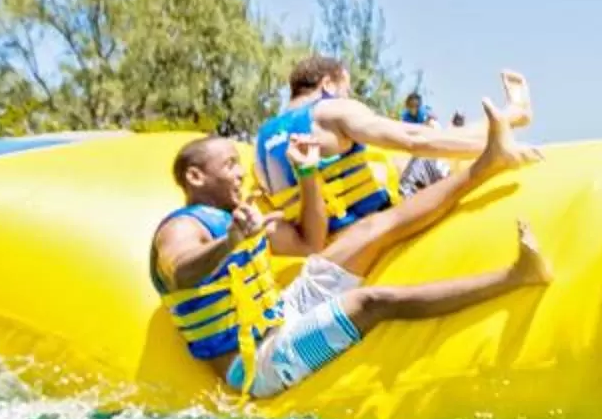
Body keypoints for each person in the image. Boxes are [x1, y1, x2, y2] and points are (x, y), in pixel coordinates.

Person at [151, 105, 547, 400]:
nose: (240, 173)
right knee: (370, 301)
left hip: (280, 314)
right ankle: (517, 276)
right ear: (196, 177)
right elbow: (180, 271)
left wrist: (307, 173)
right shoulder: (181, 227)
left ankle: (489, 163)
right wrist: (229, 244)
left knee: (371, 229)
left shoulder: (237, 218)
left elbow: (310, 245)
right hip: (255, 365)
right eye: (229, 165)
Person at [250, 56, 532, 234]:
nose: (348, 97)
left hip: (330, 244)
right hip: (375, 222)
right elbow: (414, 140)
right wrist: (488, 151)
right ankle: (512, 118)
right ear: (328, 85)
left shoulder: (261, 143)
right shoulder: (330, 111)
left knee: (399, 154)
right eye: (346, 89)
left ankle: (511, 116)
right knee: (423, 152)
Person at [394, 92, 450, 195]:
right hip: (418, 138)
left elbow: (432, 121)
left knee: (432, 125)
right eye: (411, 106)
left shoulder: (423, 111)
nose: (414, 109)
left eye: (416, 106)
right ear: (408, 106)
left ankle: (441, 170)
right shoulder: (406, 116)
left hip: (431, 135)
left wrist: (427, 123)